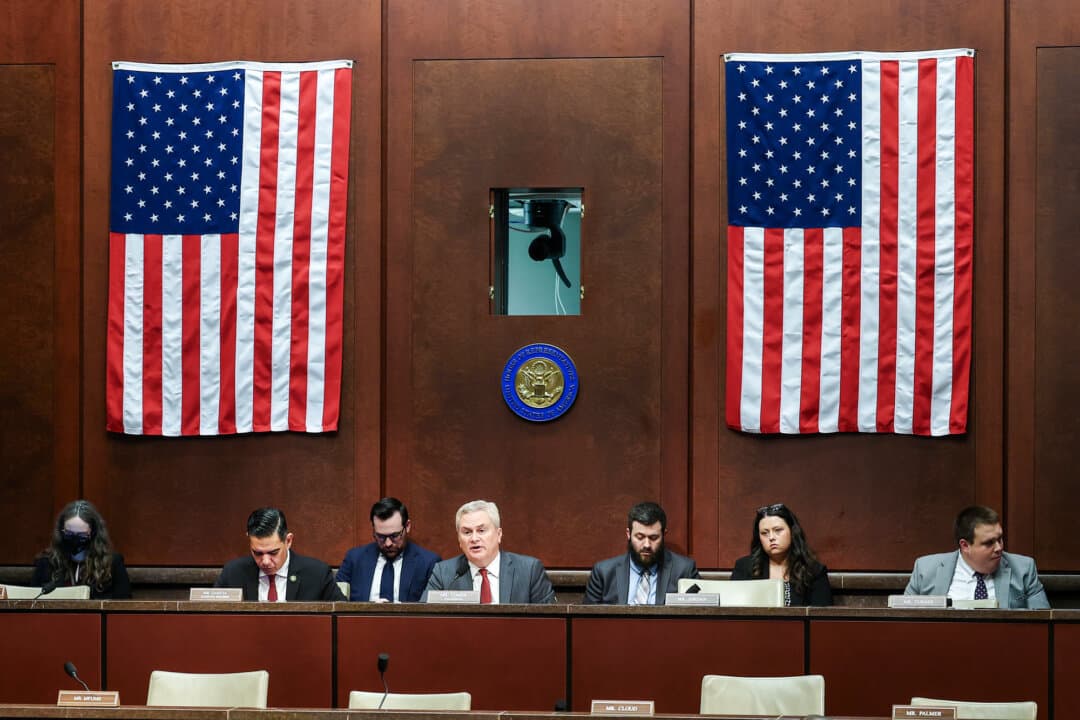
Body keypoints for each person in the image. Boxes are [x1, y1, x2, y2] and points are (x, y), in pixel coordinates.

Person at [904, 505, 1049, 609]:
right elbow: (904, 621)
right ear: (965, 545)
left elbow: (1043, 623)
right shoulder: (925, 569)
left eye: (1000, 539)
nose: (999, 548)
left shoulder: (1023, 569)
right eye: (989, 543)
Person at [423, 500, 555, 604]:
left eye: (481, 531)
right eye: (467, 532)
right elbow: (424, 620)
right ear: (459, 539)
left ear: (498, 535)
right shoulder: (444, 573)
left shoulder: (529, 571)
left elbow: (551, 624)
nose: (474, 538)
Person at [215, 507, 345, 602]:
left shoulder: (317, 574)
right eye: (258, 553)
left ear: (288, 541)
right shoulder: (233, 573)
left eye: (273, 552)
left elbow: (342, 617)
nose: (265, 561)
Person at [584, 501, 700, 605]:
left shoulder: (684, 570)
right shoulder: (604, 572)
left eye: (653, 537)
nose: (647, 545)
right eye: (640, 537)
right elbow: (587, 621)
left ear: (664, 535)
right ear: (628, 534)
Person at [336, 497, 440, 602]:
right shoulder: (354, 559)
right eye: (381, 536)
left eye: (394, 535)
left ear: (407, 526)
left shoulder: (428, 563)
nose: (388, 543)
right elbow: (336, 602)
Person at [731, 503, 832, 606]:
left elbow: (822, 616)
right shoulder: (744, 567)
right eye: (764, 533)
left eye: (778, 530)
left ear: (792, 532)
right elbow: (732, 610)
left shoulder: (813, 571)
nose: (771, 537)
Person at [32, 500, 132, 599]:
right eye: (69, 534)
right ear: (61, 531)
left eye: (82, 535)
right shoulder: (46, 562)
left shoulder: (112, 563)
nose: (75, 540)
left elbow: (124, 604)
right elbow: (33, 601)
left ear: (93, 533)